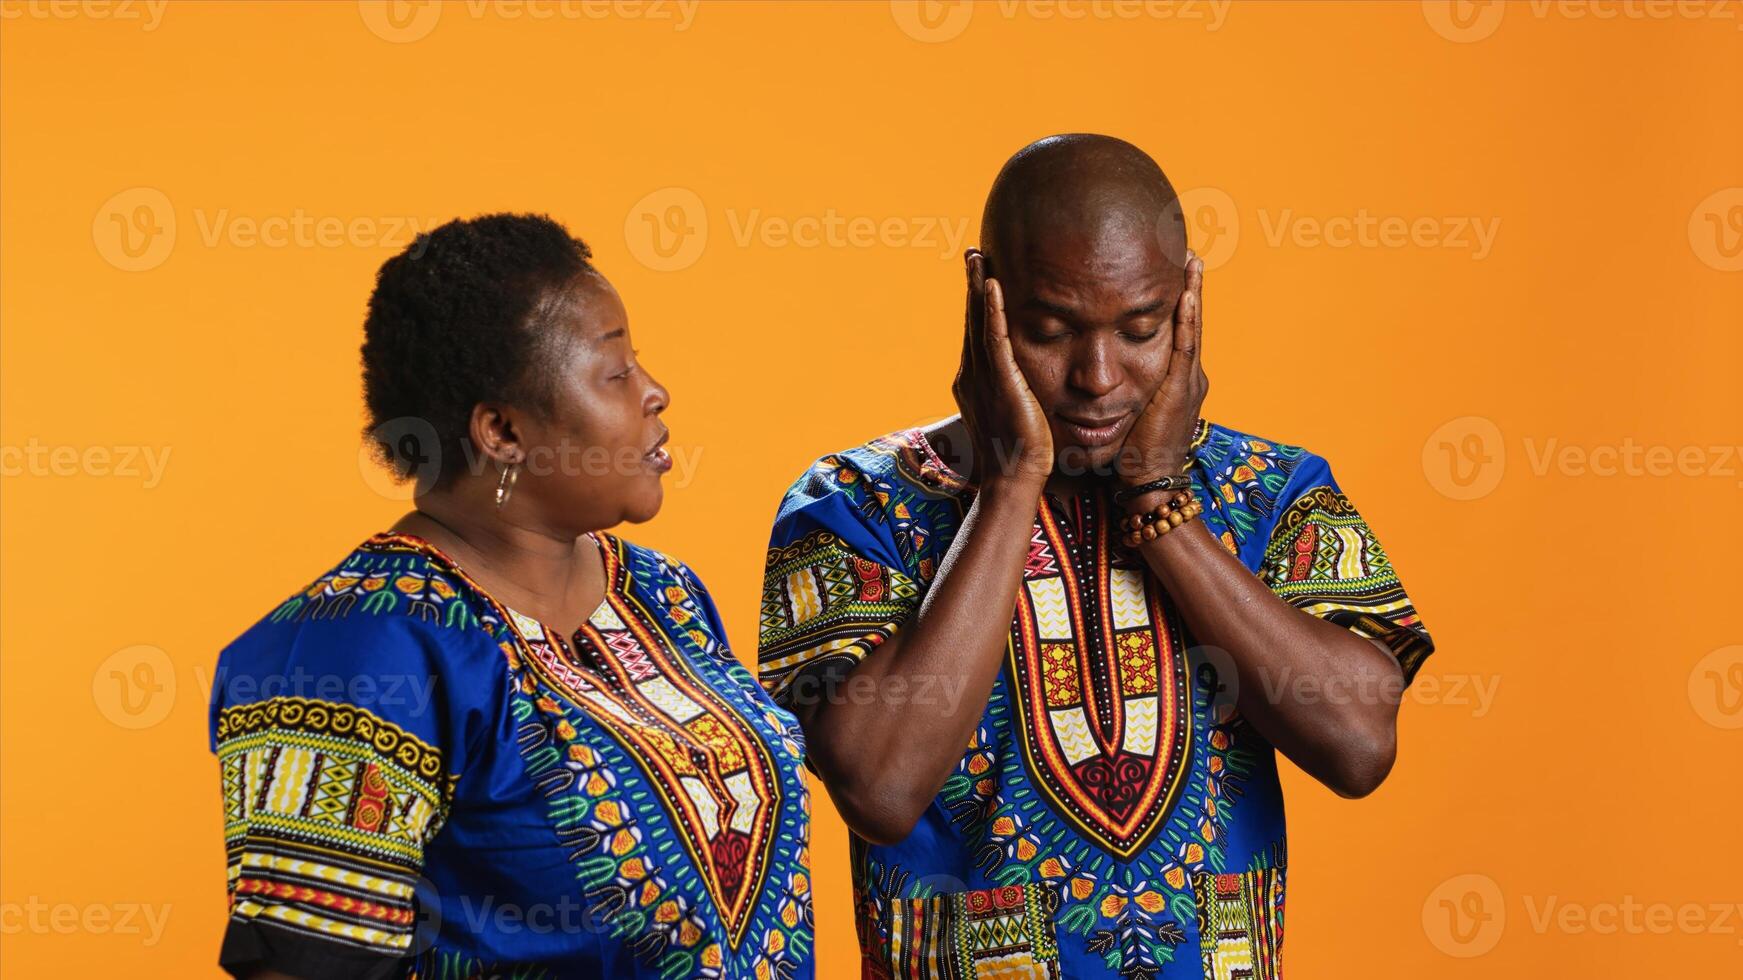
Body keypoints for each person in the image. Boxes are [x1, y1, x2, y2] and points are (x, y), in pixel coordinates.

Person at [757, 135, 1434, 979]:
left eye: (1140, 329)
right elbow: (879, 788)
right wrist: (1010, 487)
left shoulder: (1272, 490)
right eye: (1049, 330)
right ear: (984, 301)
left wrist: (1161, 504)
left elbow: (1358, 745)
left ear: (1188, 301)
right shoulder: (855, 504)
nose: (1098, 376)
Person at [209, 214, 813, 979]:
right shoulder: (356, 651)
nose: (656, 392)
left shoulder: (665, 596)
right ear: (501, 429)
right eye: (615, 372)